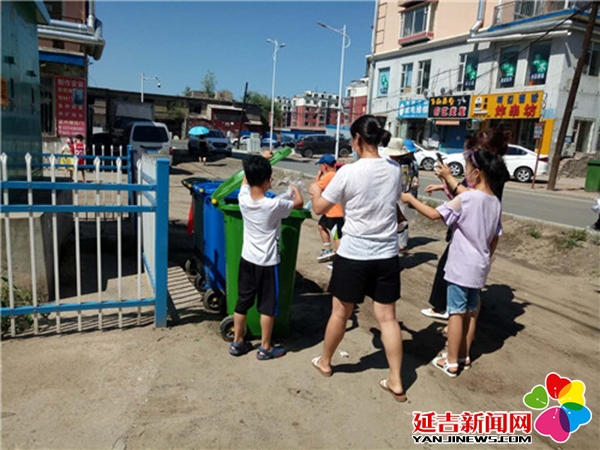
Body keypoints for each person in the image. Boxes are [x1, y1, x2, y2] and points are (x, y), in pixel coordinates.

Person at [309, 115, 407, 402]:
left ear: (358, 139)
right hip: (386, 254)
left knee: (340, 312)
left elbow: (319, 209)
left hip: (353, 254)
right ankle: (396, 379)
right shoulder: (394, 169)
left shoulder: (348, 172)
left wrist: (316, 191)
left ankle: (326, 362)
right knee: (388, 318)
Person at [401, 148, 506, 376]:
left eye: (467, 169)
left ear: (477, 173)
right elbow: (495, 237)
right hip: (479, 266)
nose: (464, 174)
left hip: (461, 266)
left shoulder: (467, 198)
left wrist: (410, 199)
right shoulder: (495, 202)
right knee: (470, 311)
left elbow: (434, 215)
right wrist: (486, 258)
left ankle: (451, 361)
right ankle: (464, 355)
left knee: (456, 314)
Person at [420, 129, 510, 321]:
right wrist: (445, 183)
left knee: (460, 303)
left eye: (476, 149)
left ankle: (451, 318)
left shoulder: (489, 173)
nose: (473, 154)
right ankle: (456, 320)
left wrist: (447, 179)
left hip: (471, 235)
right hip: (476, 241)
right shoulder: (488, 171)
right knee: (470, 297)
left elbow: (468, 197)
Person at [230, 154, 304, 359]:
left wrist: (260, 160)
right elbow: (299, 202)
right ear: (266, 180)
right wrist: (294, 188)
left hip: (247, 259)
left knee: (242, 302)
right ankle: (265, 347)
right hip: (267, 262)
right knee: (267, 307)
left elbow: (245, 180)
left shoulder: (243, 198)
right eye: (270, 177)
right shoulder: (273, 205)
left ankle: (237, 342)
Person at [384, 139, 419, 251]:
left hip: (402, 194)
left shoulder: (404, 163)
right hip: (401, 193)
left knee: (401, 219)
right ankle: (398, 241)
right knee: (397, 219)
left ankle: (402, 243)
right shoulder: (410, 162)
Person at [314, 154, 344, 263]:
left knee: (336, 235)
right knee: (321, 226)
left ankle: (339, 260)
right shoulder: (337, 174)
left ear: (325, 166)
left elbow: (314, 188)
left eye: (321, 165)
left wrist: (318, 175)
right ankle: (327, 249)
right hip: (331, 211)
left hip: (334, 212)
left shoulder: (329, 176)